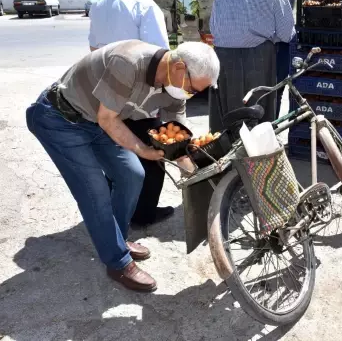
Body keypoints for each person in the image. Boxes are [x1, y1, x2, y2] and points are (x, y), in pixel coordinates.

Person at [26, 40, 220, 291]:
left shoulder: (174, 87)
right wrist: (142, 150)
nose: (192, 95)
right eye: (193, 89)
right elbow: (108, 119)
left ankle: (116, 238)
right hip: (60, 119)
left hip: (96, 122)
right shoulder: (129, 63)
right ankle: (117, 262)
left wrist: (190, 168)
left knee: (132, 174)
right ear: (180, 67)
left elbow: (176, 132)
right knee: (94, 191)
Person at [88, 0, 172, 227]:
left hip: (106, 91)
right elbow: (158, 55)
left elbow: (93, 49)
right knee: (149, 155)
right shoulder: (145, 6)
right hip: (139, 94)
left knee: (116, 153)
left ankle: (119, 207)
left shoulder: (100, 3)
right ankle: (143, 213)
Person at [208, 0, 295, 132]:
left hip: (223, 58)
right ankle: (258, 156)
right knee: (259, 112)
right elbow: (286, 33)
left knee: (227, 112)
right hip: (259, 58)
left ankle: (225, 154)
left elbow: (214, 27)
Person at [264, 0, 316, 115]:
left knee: (279, 85)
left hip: (284, 38)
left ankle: (272, 127)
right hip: (259, 39)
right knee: (259, 86)